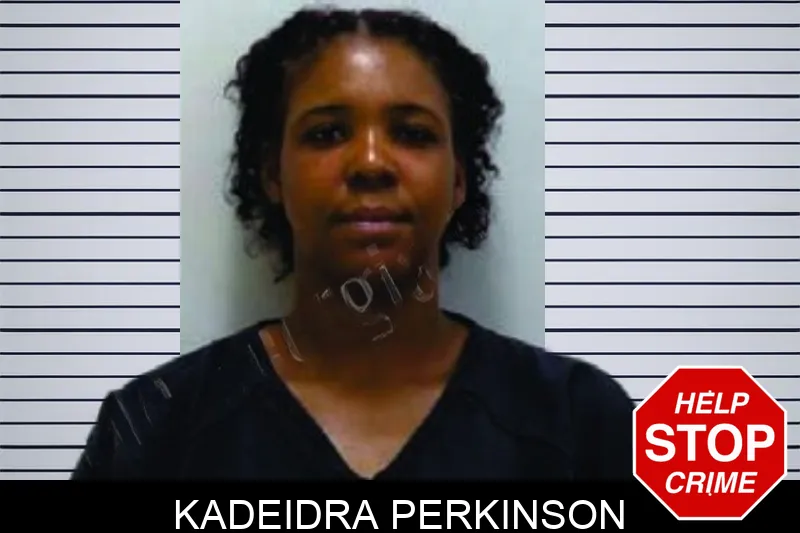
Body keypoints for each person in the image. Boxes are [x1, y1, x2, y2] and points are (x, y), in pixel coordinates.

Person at [72, 7, 633, 480]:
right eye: (327, 133)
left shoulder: (581, 422)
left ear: (459, 180)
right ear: (272, 174)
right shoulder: (154, 428)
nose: (370, 163)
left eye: (412, 133)